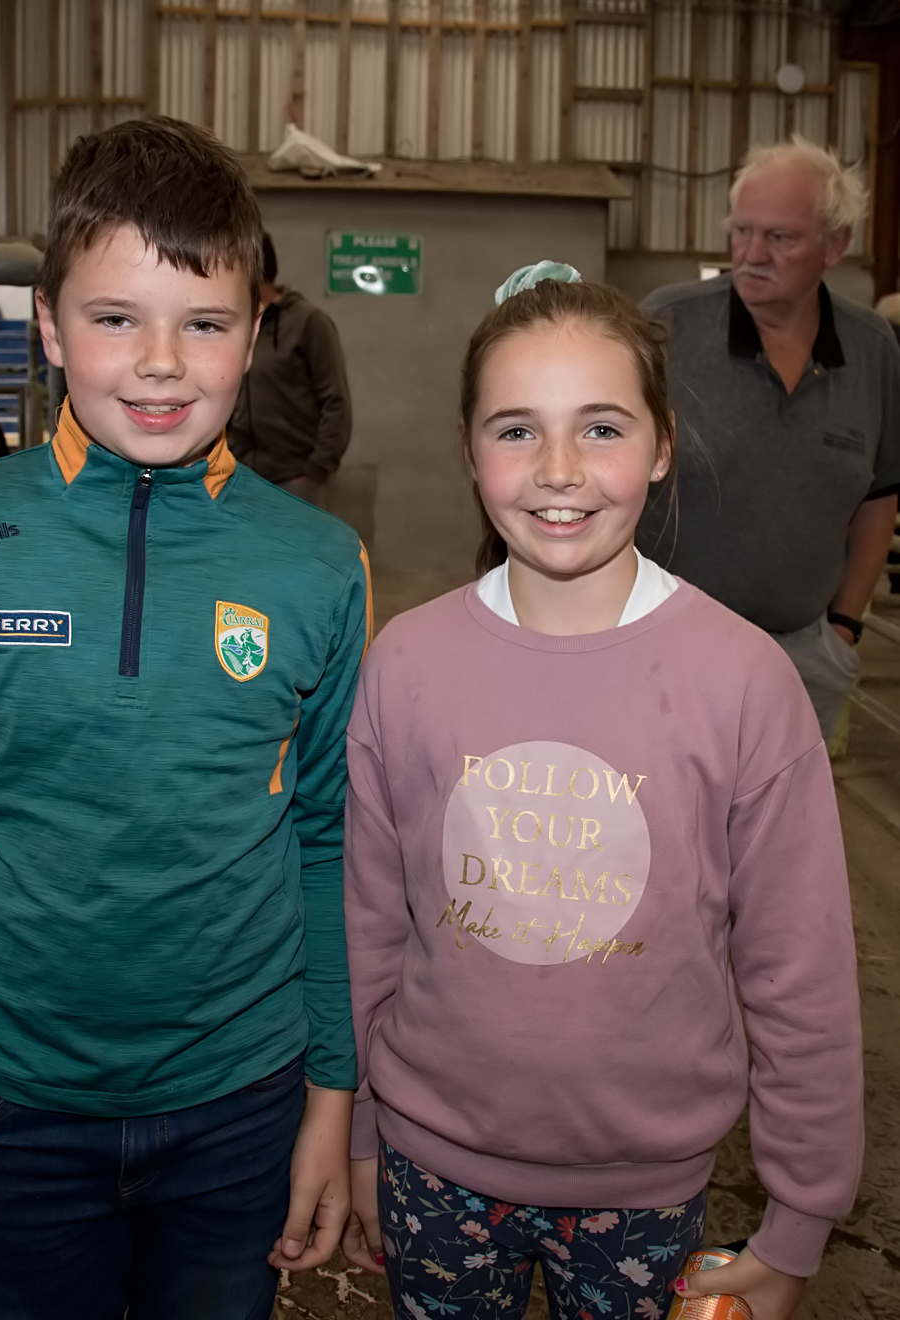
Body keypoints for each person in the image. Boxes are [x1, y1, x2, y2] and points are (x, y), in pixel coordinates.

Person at [0, 117, 373, 1320]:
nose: (161, 364)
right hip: (9, 1096)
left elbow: (332, 836)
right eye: (115, 318)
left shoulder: (318, 565)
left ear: (257, 331)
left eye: (205, 324)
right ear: (47, 324)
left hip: (243, 1098)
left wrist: (331, 1095)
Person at [339, 265, 862, 1320]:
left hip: (645, 1194)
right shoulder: (406, 665)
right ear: (468, 447)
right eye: (516, 430)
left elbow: (799, 972)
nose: (559, 470)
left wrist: (802, 1211)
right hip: (429, 1169)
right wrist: (356, 1132)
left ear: (662, 445)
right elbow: (369, 926)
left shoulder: (743, 681)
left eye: (602, 428)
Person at [639, 135, 900, 741]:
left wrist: (843, 628)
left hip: (803, 659)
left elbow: (879, 496)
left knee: (785, 803)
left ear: (836, 245)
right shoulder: (665, 325)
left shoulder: (872, 349)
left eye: (780, 238)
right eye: (742, 231)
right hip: (665, 652)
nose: (752, 255)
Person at [226, 232, 352, 506]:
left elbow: (335, 401)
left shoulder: (308, 322)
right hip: (239, 478)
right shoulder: (233, 324)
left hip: (294, 480)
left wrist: (315, 470)